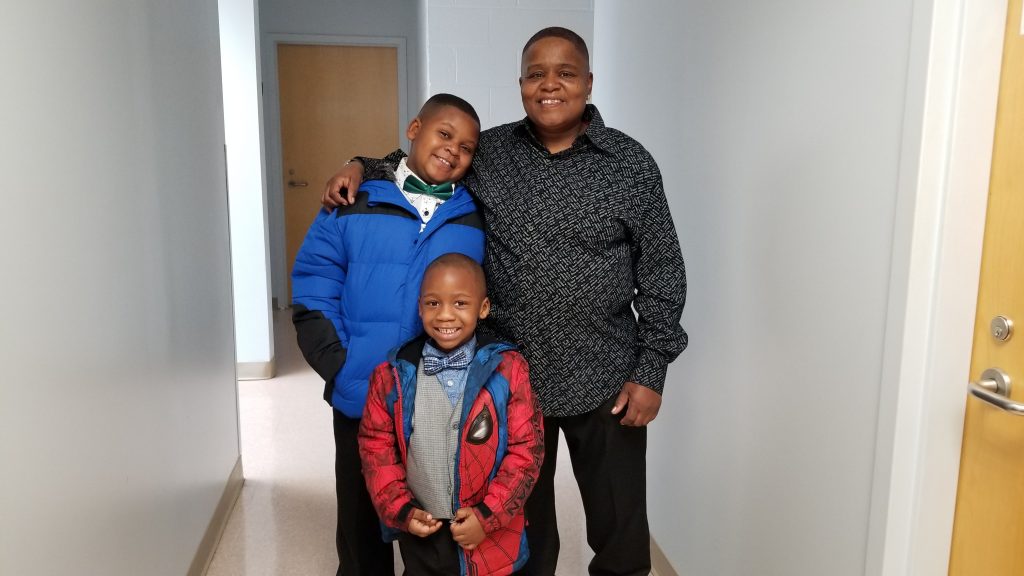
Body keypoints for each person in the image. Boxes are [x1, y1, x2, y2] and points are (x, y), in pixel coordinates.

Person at [323, 27, 687, 576]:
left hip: (606, 378)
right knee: (520, 532)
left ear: (588, 82)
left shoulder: (629, 164)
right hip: (510, 383)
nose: (550, 85)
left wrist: (652, 368)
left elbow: (662, 266)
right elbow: (423, 160)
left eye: (565, 73)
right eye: (536, 73)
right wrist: (360, 164)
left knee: (620, 531)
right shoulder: (490, 151)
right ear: (520, 85)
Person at [291, 93, 485, 576]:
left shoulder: (474, 217)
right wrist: (341, 363)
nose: (453, 151)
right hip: (362, 389)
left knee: (431, 520)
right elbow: (315, 281)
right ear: (414, 129)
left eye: (466, 146)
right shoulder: (354, 201)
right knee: (360, 523)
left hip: (438, 401)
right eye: (444, 134)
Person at [359, 253, 544, 576]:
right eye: (433, 303)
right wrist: (401, 510)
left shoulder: (509, 369)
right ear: (419, 307)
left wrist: (488, 515)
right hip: (423, 531)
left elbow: (527, 452)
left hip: (489, 534)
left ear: (483, 308)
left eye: (460, 303)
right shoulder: (391, 375)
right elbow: (376, 450)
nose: (445, 315)